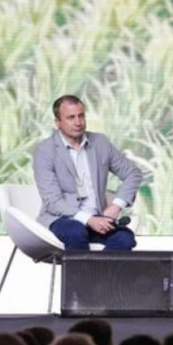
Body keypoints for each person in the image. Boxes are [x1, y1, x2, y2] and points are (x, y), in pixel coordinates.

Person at [33, 95, 142, 250]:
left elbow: (133, 173)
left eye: (81, 116)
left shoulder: (100, 142)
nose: (78, 122)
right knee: (76, 231)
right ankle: (84, 274)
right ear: (58, 122)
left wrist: (116, 206)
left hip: (98, 218)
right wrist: (89, 220)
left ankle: (98, 274)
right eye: (71, 117)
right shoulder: (45, 151)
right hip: (63, 219)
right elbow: (53, 201)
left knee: (124, 238)